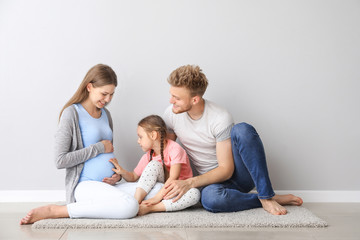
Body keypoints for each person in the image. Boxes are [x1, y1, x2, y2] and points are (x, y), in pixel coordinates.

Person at [20, 64, 162, 224]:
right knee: (129, 206)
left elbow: (109, 153)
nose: (107, 99)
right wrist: (99, 148)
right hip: (85, 186)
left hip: (109, 186)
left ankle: (104, 205)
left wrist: (116, 176)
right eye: (104, 93)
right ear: (89, 87)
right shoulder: (71, 114)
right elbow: (60, 160)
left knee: (158, 188)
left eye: (111, 95)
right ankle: (58, 210)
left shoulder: (106, 114)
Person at [162, 65, 303, 215]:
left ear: (195, 99)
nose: (171, 101)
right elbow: (168, 153)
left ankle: (266, 196)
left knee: (242, 130)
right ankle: (265, 199)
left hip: (237, 176)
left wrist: (189, 183)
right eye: (171, 95)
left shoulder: (219, 117)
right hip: (209, 184)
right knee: (210, 200)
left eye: (176, 98)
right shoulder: (171, 115)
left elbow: (226, 170)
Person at [109, 115, 200, 216]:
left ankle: (152, 208)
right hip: (160, 189)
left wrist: (156, 198)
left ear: (153, 135)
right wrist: (122, 172)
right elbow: (133, 177)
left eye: (140, 137)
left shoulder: (175, 149)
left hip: (176, 190)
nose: (138, 141)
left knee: (195, 194)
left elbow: (174, 178)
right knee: (154, 164)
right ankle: (134, 203)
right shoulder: (149, 155)